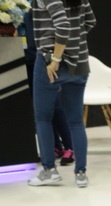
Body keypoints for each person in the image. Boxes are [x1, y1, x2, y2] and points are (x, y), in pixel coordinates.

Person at [29, 0, 96, 188]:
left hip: (51, 61)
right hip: (79, 62)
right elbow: (90, 21)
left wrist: (57, 58)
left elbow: (63, 25)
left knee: (43, 118)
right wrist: (74, 43)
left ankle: (49, 170)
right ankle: (81, 174)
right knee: (76, 121)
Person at [22, 9, 75, 167]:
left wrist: (51, 59)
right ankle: (55, 146)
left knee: (54, 106)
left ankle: (70, 146)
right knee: (40, 109)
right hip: (22, 61)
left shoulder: (30, 8)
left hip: (42, 59)